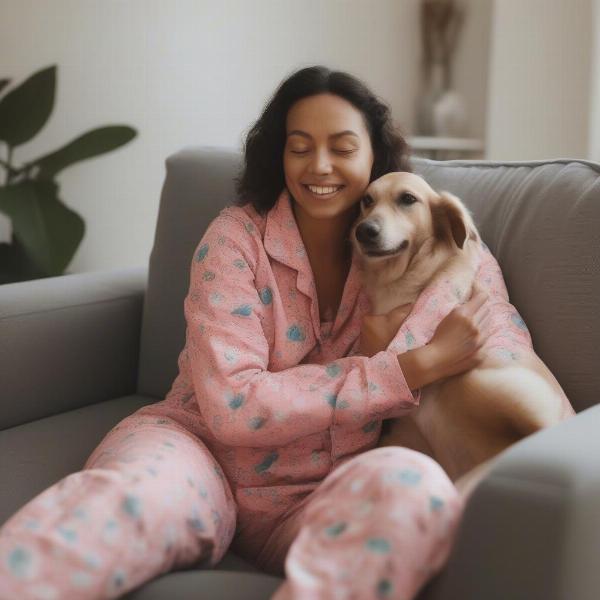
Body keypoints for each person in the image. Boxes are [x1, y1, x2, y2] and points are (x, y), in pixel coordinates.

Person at [0, 66, 498, 600]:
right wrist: (406, 370)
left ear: (374, 155)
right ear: (278, 155)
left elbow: (494, 324)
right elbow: (232, 404)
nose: (321, 165)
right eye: (299, 147)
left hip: (325, 488)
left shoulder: (428, 235)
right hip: (197, 450)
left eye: (343, 147)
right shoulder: (234, 240)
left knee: (414, 488)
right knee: (128, 503)